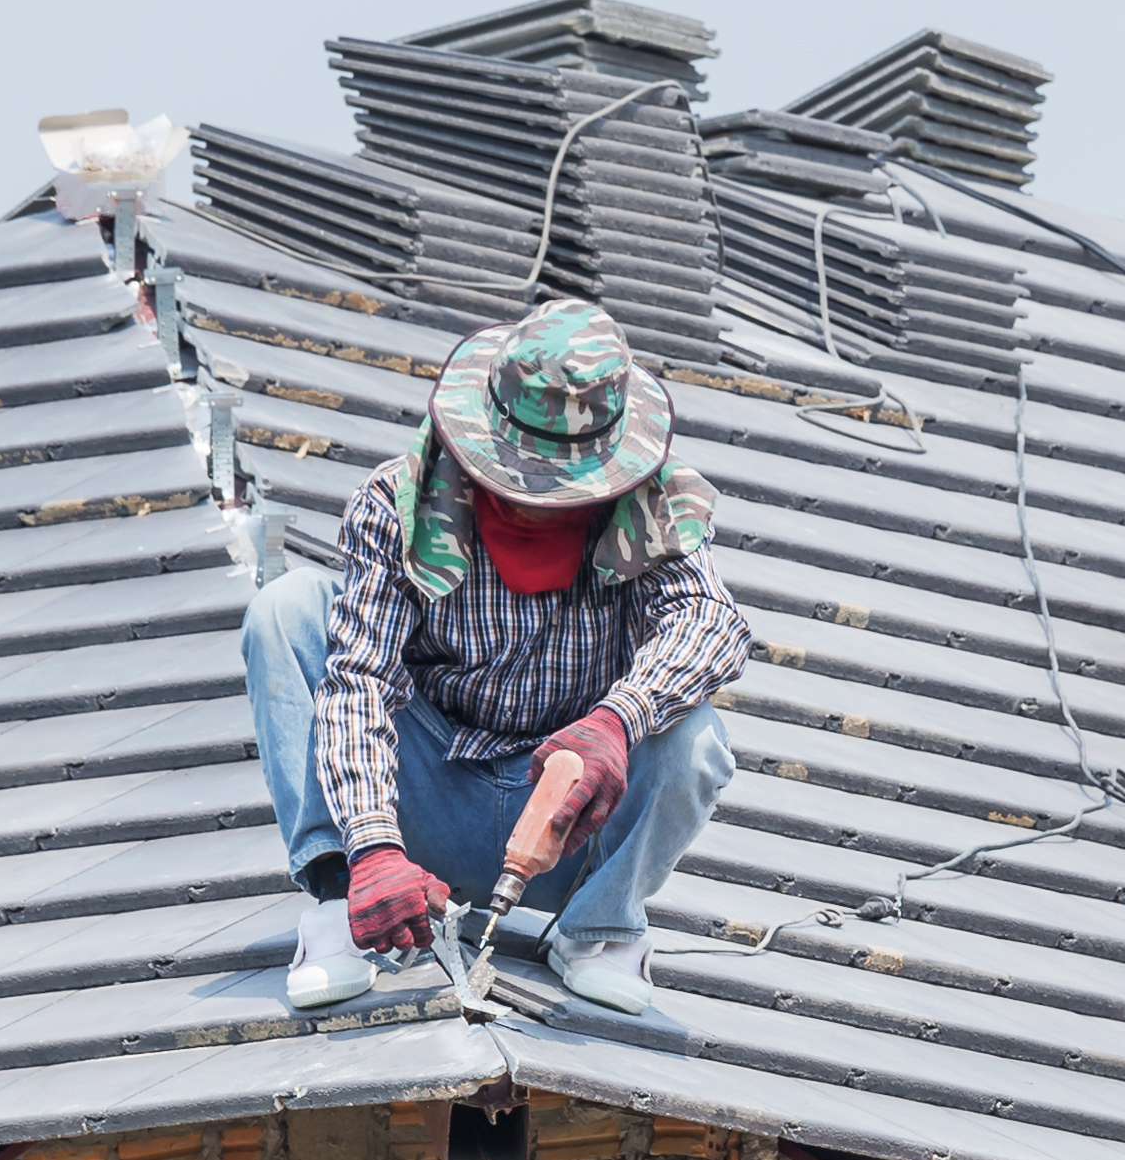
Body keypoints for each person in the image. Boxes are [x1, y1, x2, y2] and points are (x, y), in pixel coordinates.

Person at [236, 297, 749, 1019]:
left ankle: (597, 931)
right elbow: (358, 682)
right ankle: (345, 902)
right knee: (286, 609)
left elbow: (712, 622)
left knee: (696, 737)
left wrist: (615, 721)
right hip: (420, 795)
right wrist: (375, 848)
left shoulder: (651, 509)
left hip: (568, 817)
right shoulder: (399, 501)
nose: (535, 503)